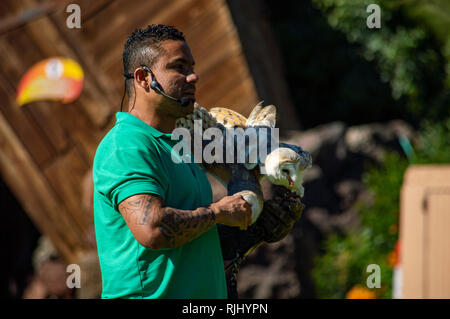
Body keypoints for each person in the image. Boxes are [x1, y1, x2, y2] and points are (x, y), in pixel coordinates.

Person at [93, 24, 253, 299]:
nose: (193, 77)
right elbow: (153, 229)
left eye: (192, 67)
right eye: (179, 67)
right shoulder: (126, 144)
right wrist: (219, 213)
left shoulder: (176, 143)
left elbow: (197, 219)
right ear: (143, 78)